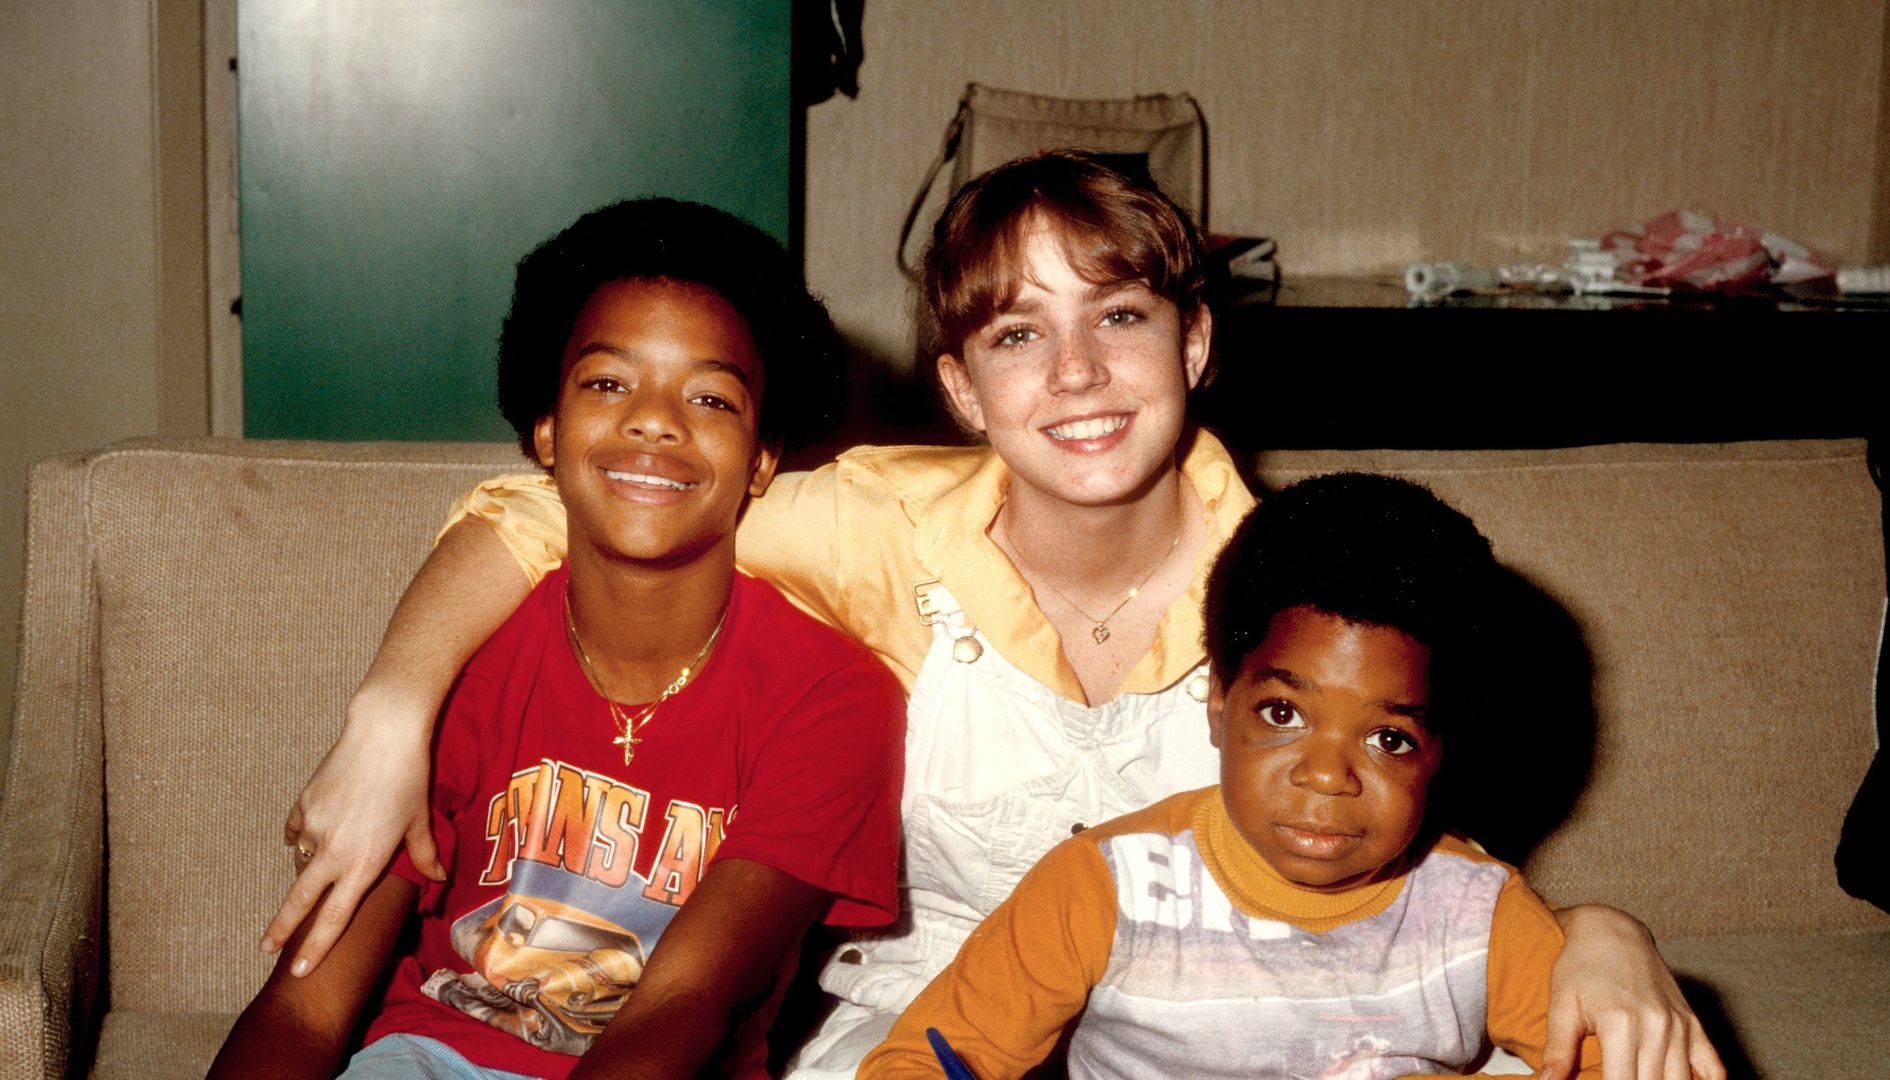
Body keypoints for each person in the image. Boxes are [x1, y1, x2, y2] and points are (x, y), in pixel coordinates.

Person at [265, 153, 1724, 1080]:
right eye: (1020, 334)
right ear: (961, 387)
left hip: (1232, 1020)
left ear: (1194, 342)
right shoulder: (881, 524)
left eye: (1120, 317)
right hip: (928, 1017)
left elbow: (1385, 813)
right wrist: (392, 712)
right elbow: (569, 507)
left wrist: (1598, 927)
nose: (1076, 375)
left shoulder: (1297, 570)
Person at [211, 198, 904, 1080]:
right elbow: (305, 1006)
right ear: (546, 429)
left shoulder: (834, 695)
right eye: (608, 384)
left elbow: (687, 1003)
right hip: (428, 1057)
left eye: (710, 397)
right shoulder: (463, 656)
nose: (655, 420)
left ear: (762, 458)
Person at [860, 472, 1612, 1079]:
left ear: (1444, 751)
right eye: (1284, 714)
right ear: (1220, 705)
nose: (1327, 776)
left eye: (1390, 738)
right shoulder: (1102, 887)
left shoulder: (1479, 911)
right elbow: (923, 1059)